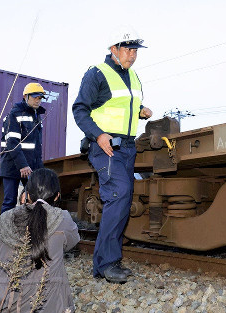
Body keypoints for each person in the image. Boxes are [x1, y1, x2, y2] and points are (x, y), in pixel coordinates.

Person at [72, 26, 152, 283]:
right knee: (118, 196)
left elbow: (118, 105)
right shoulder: (97, 74)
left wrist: (140, 110)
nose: (132, 55)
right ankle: (106, 264)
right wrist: (99, 135)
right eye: (127, 49)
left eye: (135, 50)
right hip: (106, 146)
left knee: (123, 201)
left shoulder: (133, 76)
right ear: (113, 49)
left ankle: (108, 262)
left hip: (128, 147)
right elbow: (80, 109)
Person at [0, 168, 80, 313]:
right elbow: (72, 242)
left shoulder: (4, 218)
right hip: (47, 303)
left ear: (26, 195)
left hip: (0, 302)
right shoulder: (63, 218)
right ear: (57, 196)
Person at [0, 82, 46, 213]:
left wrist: (39, 168)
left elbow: (36, 147)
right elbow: (12, 143)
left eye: (40, 97)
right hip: (13, 166)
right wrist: (23, 165)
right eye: (35, 97)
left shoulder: (36, 117)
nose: (38, 100)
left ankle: (29, 231)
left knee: (34, 200)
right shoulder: (14, 114)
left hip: (30, 167)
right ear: (25, 96)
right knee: (9, 201)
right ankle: (3, 232)